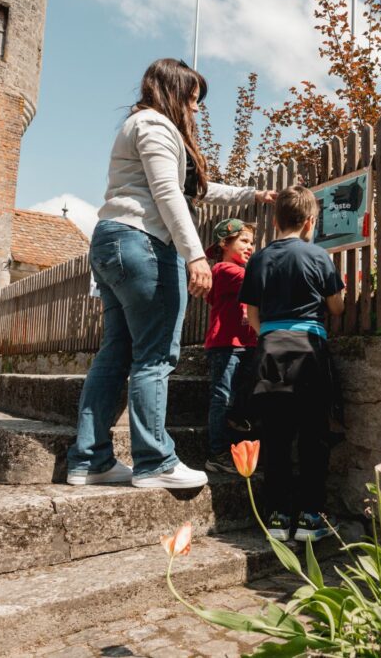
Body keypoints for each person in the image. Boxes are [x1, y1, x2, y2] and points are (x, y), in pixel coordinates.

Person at [67, 58, 276, 489]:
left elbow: (192, 188)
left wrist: (250, 193)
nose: (197, 110)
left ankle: (90, 460)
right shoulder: (157, 126)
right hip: (143, 244)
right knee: (157, 356)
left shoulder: (139, 126)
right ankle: (155, 462)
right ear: (175, 93)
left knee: (116, 353)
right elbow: (168, 194)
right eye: (194, 100)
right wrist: (195, 256)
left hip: (111, 242)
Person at [239, 186, 344, 542]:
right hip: (308, 350)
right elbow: (336, 308)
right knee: (314, 435)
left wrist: (271, 333)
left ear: (277, 219)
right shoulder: (318, 256)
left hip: (269, 350)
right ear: (310, 222)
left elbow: (252, 315)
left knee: (275, 435)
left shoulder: (258, 259)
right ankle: (311, 518)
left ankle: (278, 517)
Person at [202, 218, 258, 474]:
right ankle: (217, 453)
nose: (250, 247)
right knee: (222, 398)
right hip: (226, 344)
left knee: (239, 398)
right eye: (244, 241)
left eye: (252, 243)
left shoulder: (240, 271)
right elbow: (256, 282)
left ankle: (236, 447)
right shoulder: (224, 270)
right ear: (224, 243)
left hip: (246, 344)